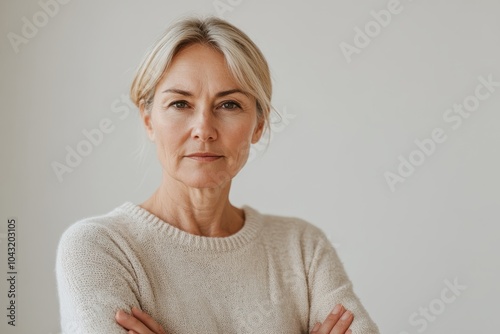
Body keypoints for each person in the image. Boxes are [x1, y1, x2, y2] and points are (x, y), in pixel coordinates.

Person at [55, 16, 380, 334]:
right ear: (148, 120)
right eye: (180, 104)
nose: (204, 130)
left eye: (229, 105)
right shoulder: (100, 247)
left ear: (259, 125)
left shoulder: (303, 248)